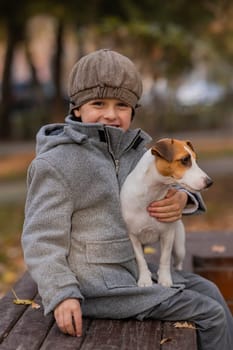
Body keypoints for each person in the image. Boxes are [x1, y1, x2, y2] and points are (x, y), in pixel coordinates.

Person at [22, 49, 233, 349]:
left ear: (133, 110)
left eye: (121, 105)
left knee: (210, 290)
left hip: (133, 272)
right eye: (98, 103)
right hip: (93, 287)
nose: (110, 114)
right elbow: (41, 238)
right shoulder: (57, 163)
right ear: (77, 108)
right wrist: (62, 293)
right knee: (210, 314)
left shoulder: (138, 150)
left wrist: (183, 199)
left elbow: (170, 177)